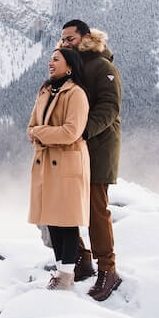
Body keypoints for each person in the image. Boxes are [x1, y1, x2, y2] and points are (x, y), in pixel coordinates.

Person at [60, 19, 122, 301]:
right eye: (63, 39)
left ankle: (108, 270)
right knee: (65, 206)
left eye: (70, 38)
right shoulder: (70, 68)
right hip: (73, 149)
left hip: (99, 148)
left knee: (96, 211)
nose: (65, 42)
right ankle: (81, 259)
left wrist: (82, 131)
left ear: (85, 38)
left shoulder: (102, 67)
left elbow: (110, 107)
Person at [28, 45, 91, 291]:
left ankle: (66, 277)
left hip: (67, 164)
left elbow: (71, 132)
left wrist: (40, 134)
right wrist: (38, 133)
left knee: (67, 221)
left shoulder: (76, 94)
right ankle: (59, 272)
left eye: (56, 59)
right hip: (47, 163)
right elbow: (31, 127)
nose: (51, 63)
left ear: (70, 66)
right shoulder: (45, 91)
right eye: (50, 59)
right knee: (52, 220)